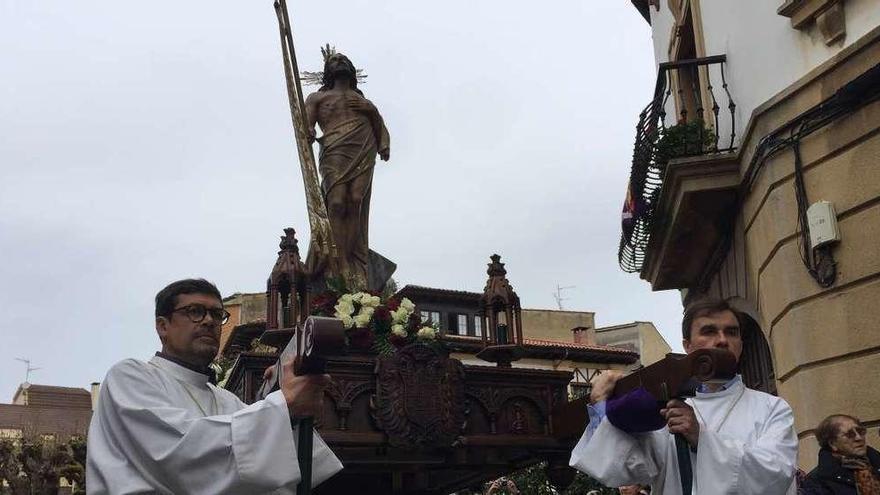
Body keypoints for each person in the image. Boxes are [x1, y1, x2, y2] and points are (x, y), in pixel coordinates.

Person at [86, 279, 342, 494]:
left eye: (217, 314)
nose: (209, 321)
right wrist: (282, 406)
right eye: (195, 311)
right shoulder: (130, 377)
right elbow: (180, 454)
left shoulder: (227, 401)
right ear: (162, 326)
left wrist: (282, 394)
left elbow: (287, 471)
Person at [570, 298, 798, 494]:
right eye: (709, 331)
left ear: (740, 344)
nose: (722, 340)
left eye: (732, 332)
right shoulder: (664, 406)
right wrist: (600, 406)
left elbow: (775, 476)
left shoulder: (772, 408)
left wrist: (701, 438)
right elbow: (623, 469)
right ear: (688, 346)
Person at [305, 51, 390, 289]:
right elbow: (307, 126)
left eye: (343, 60)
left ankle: (350, 259)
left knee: (355, 202)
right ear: (328, 71)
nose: (339, 62)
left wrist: (382, 141)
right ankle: (336, 259)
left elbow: (378, 123)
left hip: (363, 147)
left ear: (351, 70)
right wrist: (308, 132)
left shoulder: (363, 101)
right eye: (334, 61)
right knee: (336, 203)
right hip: (334, 149)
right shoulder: (317, 99)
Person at [801, 414, 880, 494]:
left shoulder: (876, 463)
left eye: (860, 431)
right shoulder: (818, 482)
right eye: (850, 434)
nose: (858, 438)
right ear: (833, 444)